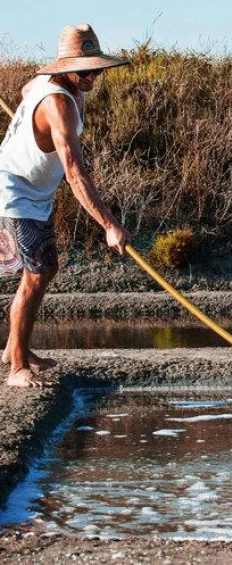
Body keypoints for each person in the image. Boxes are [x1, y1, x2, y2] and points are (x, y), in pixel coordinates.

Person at [0, 23, 131, 387]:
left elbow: (29, 88)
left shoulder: (47, 86)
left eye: (95, 69)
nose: (91, 76)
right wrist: (109, 225)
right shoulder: (59, 104)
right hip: (15, 190)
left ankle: (17, 351)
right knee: (38, 272)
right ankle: (16, 370)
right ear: (64, 67)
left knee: (44, 268)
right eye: (84, 70)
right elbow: (74, 172)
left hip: (33, 190)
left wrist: (29, 118)